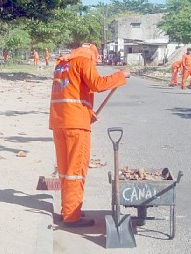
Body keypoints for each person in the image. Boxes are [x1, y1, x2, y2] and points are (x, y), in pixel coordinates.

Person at [49, 43, 130, 227]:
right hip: (76, 125)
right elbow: (98, 84)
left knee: (65, 168)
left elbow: (72, 93)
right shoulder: (84, 62)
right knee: (76, 170)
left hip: (59, 122)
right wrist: (121, 75)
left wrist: (88, 112)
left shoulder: (62, 63)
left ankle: (69, 209)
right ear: (92, 55)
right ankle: (71, 216)